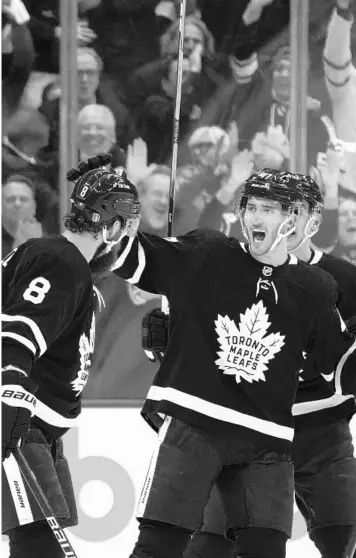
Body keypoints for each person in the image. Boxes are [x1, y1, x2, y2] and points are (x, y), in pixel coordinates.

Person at [111, 168, 356, 558]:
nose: (258, 218)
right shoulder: (211, 254)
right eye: (252, 206)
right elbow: (133, 259)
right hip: (206, 423)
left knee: (299, 545)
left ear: (300, 219)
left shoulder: (322, 284)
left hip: (290, 435)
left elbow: (341, 365)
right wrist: (111, 217)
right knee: (176, 545)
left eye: (272, 209)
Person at [1, 154, 141, 558]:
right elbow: (17, 330)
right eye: (124, 224)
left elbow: (114, 258)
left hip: (38, 428)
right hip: (18, 419)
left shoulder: (70, 262)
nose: (126, 234)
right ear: (110, 225)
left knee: (43, 536)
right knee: (40, 545)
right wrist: (9, 400)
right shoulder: (59, 261)